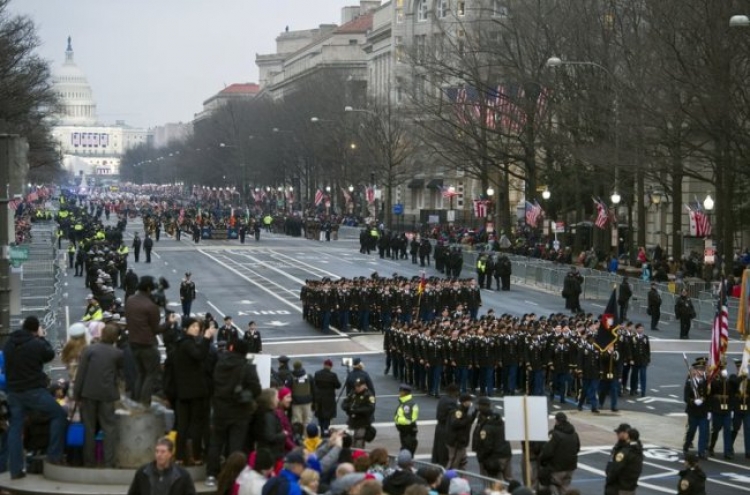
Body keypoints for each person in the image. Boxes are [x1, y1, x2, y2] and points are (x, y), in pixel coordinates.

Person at [4, 316, 67, 479]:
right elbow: (49, 354)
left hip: (14, 392)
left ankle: (16, 469)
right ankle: (54, 456)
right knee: (58, 414)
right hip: (33, 390)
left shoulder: (9, 344)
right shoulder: (36, 343)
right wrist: (42, 337)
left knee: (15, 428)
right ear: (35, 329)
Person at [206, 338, 262, 486]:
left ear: (231, 348)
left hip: (219, 408)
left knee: (216, 443)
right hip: (239, 411)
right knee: (235, 445)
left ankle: (211, 474)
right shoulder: (246, 367)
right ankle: (231, 476)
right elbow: (256, 389)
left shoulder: (220, 363)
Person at [73, 324, 123, 467]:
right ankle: (109, 462)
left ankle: (89, 461)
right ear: (115, 338)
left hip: (88, 393)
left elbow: (81, 373)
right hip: (107, 394)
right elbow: (120, 374)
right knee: (109, 428)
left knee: (89, 428)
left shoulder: (89, 350)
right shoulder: (117, 353)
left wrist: (77, 394)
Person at [174, 317, 217, 464]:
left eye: (197, 326)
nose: (197, 329)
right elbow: (199, 355)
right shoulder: (187, 343)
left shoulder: (180, 343)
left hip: (183, 391)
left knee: (182, 425)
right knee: (195, 425)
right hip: (195, 391)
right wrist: (206, 338)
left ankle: (180, 456)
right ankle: (196, 456)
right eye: (193, 326)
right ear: (186, 329)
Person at [126, 276, 173, 406]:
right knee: (150, 374)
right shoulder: (151, 307)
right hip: (147, 344)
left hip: (133, 342)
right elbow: (156, 329)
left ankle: (136, 401)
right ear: (148, 289)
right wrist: (170, 322)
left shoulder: (130, 300)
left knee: (140, 373)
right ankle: (145, 403)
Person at [127, 437, 196, 495]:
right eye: (157, 451)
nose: (159, 455)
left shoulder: (182, 475)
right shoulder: (143, 472)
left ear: (170, 454)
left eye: (163, 452)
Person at [539, 412, 580, 495]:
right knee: (565, 488)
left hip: (557, 468)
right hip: (570, 467)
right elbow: (577, 448)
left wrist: (542, 461)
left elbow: (547, 452)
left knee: (553, 487)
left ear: (557, 421)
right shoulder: (574, 434)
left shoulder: (556, 435)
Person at [472, 396, 512, 481]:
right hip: (505, 453)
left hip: (494, 457)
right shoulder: (498, 420)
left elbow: (487, 445)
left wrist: (481, 457)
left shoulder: (486, 426)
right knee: (508, 479)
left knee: (493, 481)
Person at [604, 425, 644, 495]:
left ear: (626, 434)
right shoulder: (637, 449)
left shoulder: (625, 451)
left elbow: (615, 469)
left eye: (619, 433)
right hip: (630, 487)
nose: (617, 435)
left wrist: (609, 480)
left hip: (619, 488)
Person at [683, 358, 709, 459]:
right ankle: (686, 445)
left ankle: (701, 451)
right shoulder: (690, 382)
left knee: (703, 432)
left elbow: (709, 396)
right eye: (700, 369)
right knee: (691, 431)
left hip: (703, 412)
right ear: (695, 370)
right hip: (693, 412)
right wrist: (694, 401)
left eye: (703, 369)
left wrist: (709, 410)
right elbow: (686, 398)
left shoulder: (707, 382)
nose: (702, 371)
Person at [342, 377, 376, 448]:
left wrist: (357, 410)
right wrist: (348, 408)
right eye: (356, 386)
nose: (357, 388)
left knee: (359, 442)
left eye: (359, 386)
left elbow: (370, 408)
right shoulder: (352, 393)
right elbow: (344, 403)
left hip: (362, 423)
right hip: (352, 422)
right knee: (349, 442)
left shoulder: (368, 395)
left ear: (364, 385)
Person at [446, 393, 475, 470]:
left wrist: (473, 417)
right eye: (469, 401)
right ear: (464, 402)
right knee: (454, 463)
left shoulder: (464, 411)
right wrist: (468, 419)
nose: (470, 403)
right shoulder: (458, 412)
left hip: (461, 442)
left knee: (463, 461)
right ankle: (448, 478)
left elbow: (466, 423)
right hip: (456, 442)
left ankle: (462, 478)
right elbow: (455, 423)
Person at [431, 383, 458, 466]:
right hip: (446, 428)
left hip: (439, 427)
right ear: (454, 392)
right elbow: (454, 418)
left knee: (438, 450)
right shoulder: (452, 402)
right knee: (444, 453)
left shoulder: (442, 399)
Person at [313, 359, 341, 435]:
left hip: (319, 398)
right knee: (327, 416)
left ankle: (322, 430)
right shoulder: (333, 375)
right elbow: (338, 385)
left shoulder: (317, 374)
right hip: (329, 399)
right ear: (330, 366)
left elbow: (314, 384)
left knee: (320, 415)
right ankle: (325, 431)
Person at [394, 384, 419, 455]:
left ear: (405, 393)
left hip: (407, 431)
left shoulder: (407, 404)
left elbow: (408, 420)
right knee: (406, 448)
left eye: (401, 391)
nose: (399, 393)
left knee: (407, 450)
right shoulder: (405, 402)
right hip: (405, 431)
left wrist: (398, 421)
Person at [290, 361, 315, 427]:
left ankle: (298, 436)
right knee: (307, 421)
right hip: (307, 402)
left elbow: (288, 390)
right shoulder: (309, 377)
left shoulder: (291, 378)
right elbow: (314, 390)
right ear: (301, 366)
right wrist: (314, 402)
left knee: (297, 421)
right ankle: (307, 436)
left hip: (295, 403)